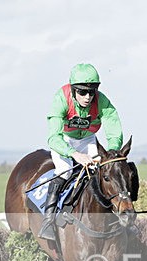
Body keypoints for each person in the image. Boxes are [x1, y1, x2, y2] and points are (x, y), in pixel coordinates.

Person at [40, 63, 124, 239]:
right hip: (64, 141)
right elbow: (53, 138)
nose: (88, 97)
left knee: (100, 173)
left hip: (87, 139)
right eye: (82, 92)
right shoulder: (61, 99)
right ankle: (48, 220)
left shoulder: (101, 101)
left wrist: (112, 153)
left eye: (92, 92)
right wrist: (74, 154)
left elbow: (113, 130)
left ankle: (118, 218)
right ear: (73, 90)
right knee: (64, 172)